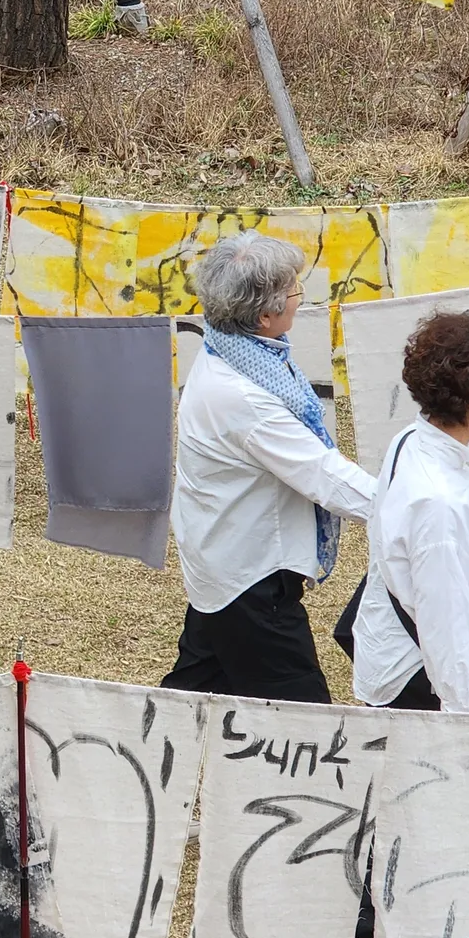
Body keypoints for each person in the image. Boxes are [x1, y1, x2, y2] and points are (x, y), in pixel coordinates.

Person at [164, 233, 377, 702]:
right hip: (250, 582)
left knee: (193, 701)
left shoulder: (230, 350)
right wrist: (414, 508)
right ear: (265, 315)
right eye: (295, 290)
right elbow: (323, 475)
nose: (300, 298)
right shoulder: (245, 396)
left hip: (220, 560)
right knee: (304, 722)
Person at [351, 312, 469, 714]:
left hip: (393, 649)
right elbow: (447, 630)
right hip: (421, 678)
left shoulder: (411, 438)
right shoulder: (438, 502)